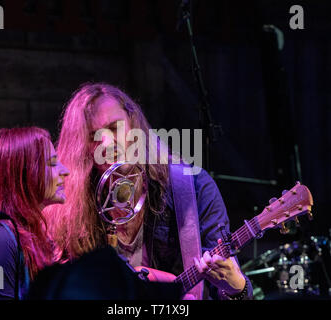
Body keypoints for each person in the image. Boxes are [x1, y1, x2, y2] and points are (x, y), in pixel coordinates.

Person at [43, 83, 252, 300]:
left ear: (133, 124)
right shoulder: (71, 204)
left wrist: (238, 289)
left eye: (114, 128)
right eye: (93, 135)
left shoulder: (194, 187)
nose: (106, 143)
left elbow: (227, 285)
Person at [0, 127, 69, 299]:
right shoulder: (0, 237)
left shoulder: (34, 234)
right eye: (53, 163)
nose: (65, 171)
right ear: (24, 172)